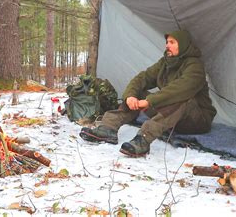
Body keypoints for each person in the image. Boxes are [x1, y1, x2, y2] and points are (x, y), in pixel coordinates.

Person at [79, 30, 217, 157]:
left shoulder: (195, 66)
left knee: (181, 98)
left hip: (196, 120)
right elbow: (142, 78)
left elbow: (180, 89)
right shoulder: (165, 63)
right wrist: (130, 97)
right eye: (167, 42)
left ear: (184, 45)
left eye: (172, 42)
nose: (167, 45)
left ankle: (144, 139)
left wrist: (149, 101)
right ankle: (108, 127)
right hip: (172, 119)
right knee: (138, 93)